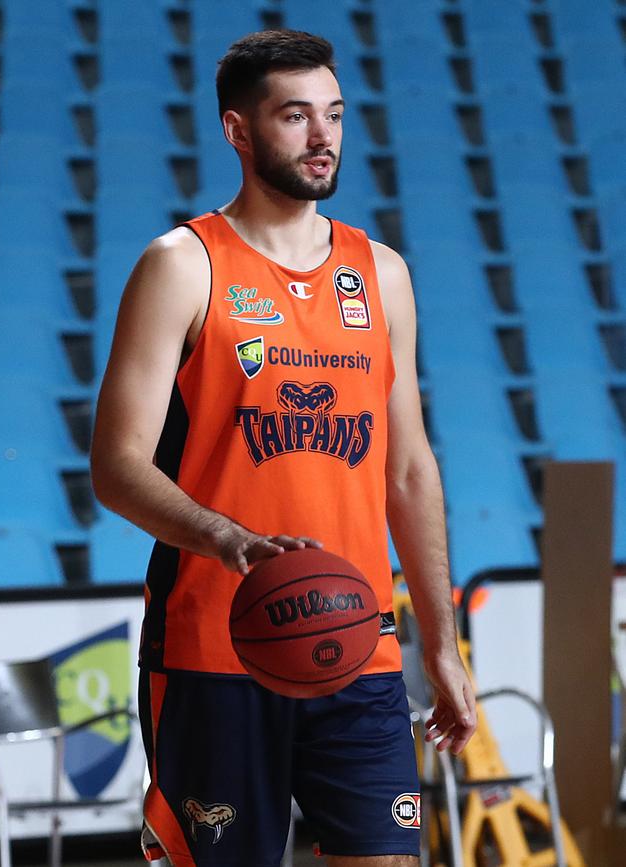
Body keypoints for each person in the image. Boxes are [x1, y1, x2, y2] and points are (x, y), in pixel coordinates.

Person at [91, 29, 477, 867]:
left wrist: (440, 646)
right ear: (238, 130)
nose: (322, 136)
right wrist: (225, 536)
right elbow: (116, 465)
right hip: (214, 648)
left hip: (358, 641)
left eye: (333, 115)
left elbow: (408, 469)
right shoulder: (183, 265)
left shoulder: (381, 274)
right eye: (295, 115)